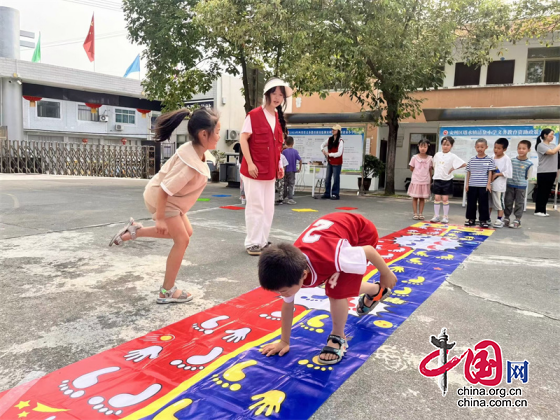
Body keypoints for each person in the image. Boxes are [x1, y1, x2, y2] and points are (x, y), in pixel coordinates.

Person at [108, 108, 220, 304]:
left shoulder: (196, 151)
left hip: (171, 200)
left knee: (186, 232)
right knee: (181, 240)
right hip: (163, 199)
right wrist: (159, 217)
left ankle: (135, 231)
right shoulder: (189, 164)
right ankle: (167, 290)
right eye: (217, 131)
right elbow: (164, 190)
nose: (219, 136)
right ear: (204, 134)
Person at [258, 212, 397, 365]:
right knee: (337, 285)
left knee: (336, 290)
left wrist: (386, 273)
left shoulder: (333, 258)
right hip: (334, 234)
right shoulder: (289, 269)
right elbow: (288, 306)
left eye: (283, 291)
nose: (281, 294)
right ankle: (376, 291)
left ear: (304, 275)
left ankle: (338, 337)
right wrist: (284, 341)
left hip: (361, 233)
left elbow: (369, 251)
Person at [239, 77, 292, 256]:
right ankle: (252, 242)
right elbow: (243, 139)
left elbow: (277, 145)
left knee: (268, 208)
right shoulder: (254, 115)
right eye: (274, 93)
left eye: (280, 95)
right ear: (267, 95)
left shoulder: (276, 117)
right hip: (253, 170)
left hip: (269, 171)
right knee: (256, 206)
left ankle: (262, 241)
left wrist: (279, 164)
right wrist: (251, 163)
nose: (277, 97)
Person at [430, 136, 466, 224]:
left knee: (445, 199)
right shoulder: (437, 155)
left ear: (451, 146)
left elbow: (464, 163)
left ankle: (445, 216)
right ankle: (436, 216)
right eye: (443, 144)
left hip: (447, 179)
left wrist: (453, 168)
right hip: (437, 178)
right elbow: (433, 164)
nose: (445, 146)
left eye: (447, 145)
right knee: (437, 198)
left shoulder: (452, 156)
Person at [465, 139, 496, 228]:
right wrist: (467, 184)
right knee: (471, 203)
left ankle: (483, 220)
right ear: (475, 147)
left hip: (483, 185)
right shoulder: (472, 159)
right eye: (478, 147)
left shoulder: (489, 159)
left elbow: (490, 172)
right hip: (472, 184)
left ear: (486, 147)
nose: (480, 149)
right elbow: (468, 172)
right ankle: (471, 219)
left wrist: (488, 184)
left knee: (483, 203)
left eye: (482, 147)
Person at [504, 140, 534, 229]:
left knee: (519, 203)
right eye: (519, 148)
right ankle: (506, 217)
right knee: (508, 201)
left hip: (521, 186)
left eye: (524, 148)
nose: (521, 150)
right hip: (510, 184)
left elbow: (528, 176)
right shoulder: (512, 161)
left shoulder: (530, 164)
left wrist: (521, 181)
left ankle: (517, 219)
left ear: (529, 150)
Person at [534, 129, 560, 216]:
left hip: (552, 171)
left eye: (553, 135)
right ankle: (538, 210)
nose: (552, 136)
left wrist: (557, 171)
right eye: (551, 135)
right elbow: (552, 152)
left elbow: (557, 157)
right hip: (543, 171)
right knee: (542, 191)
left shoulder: (553, 145)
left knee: (547, 192)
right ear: (545, 135)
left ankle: (543, 210)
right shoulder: (540, 145)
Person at [489, 138, 513, 228]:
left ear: (504, 149)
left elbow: (509, 172)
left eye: (499, 148)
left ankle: (499, 219)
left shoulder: (506, 159)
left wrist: (497, 174)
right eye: (495, 147)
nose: (496, 150)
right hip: (490, 185)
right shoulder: (491, 157)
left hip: (499, 185)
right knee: (489, 202)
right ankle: (488, 218)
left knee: (499, 202)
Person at [408, 139, 433, 220]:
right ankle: (415, 213)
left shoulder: (430, 158)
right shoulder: (414, 157)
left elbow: (430, 170)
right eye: (421, 146)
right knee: (415, 197)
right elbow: (411, 168)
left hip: (425, 180)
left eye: (425, 147)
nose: (423, 148)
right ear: (418, 146)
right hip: (416, 180)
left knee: (422, 198)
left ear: (427, 147)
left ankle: (421, 213)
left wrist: (430, 179)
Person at [321, 125, 344, 200]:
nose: (333, 131)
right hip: (330, 162)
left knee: (336, 178)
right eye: (332, 130)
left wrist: (329, 154)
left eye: (334, 130)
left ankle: (335, 194)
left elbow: (339, 153)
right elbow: (322, 145)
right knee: (327, 178)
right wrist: (323, 150)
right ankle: (327, 193)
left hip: (337, 162)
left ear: (338, 131)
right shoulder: (329, 139)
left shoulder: (340, 141)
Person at [282, 136, 302, 204]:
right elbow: (300, 160)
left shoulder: (284, 151)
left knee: (284, 184)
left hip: (285, 170)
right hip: (292, 170)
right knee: (291, 184)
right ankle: (290, 198)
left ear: (286, 143)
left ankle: (284, 197)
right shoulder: (295, 151)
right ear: (293, 143)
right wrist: (299, 168)